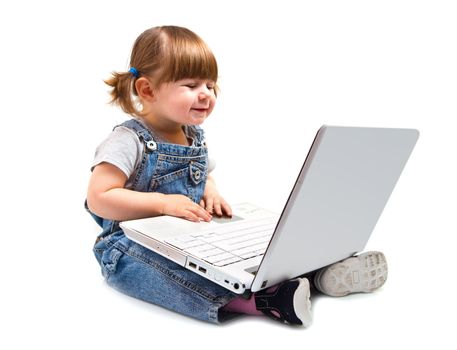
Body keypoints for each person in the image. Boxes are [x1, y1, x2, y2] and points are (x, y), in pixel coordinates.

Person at [86, 25, 388, 327]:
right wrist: (164, 204)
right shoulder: (128, 140)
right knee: (168, 272)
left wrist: (210, 191)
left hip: (190, 236)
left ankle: (320, 273)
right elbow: (100, 198)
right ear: (148, 90)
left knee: (246, 253)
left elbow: (201, 175)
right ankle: (265, 302)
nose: (205, 94)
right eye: (191, 85)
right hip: (127, 246)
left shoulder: (193, 136)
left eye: (210, 85)